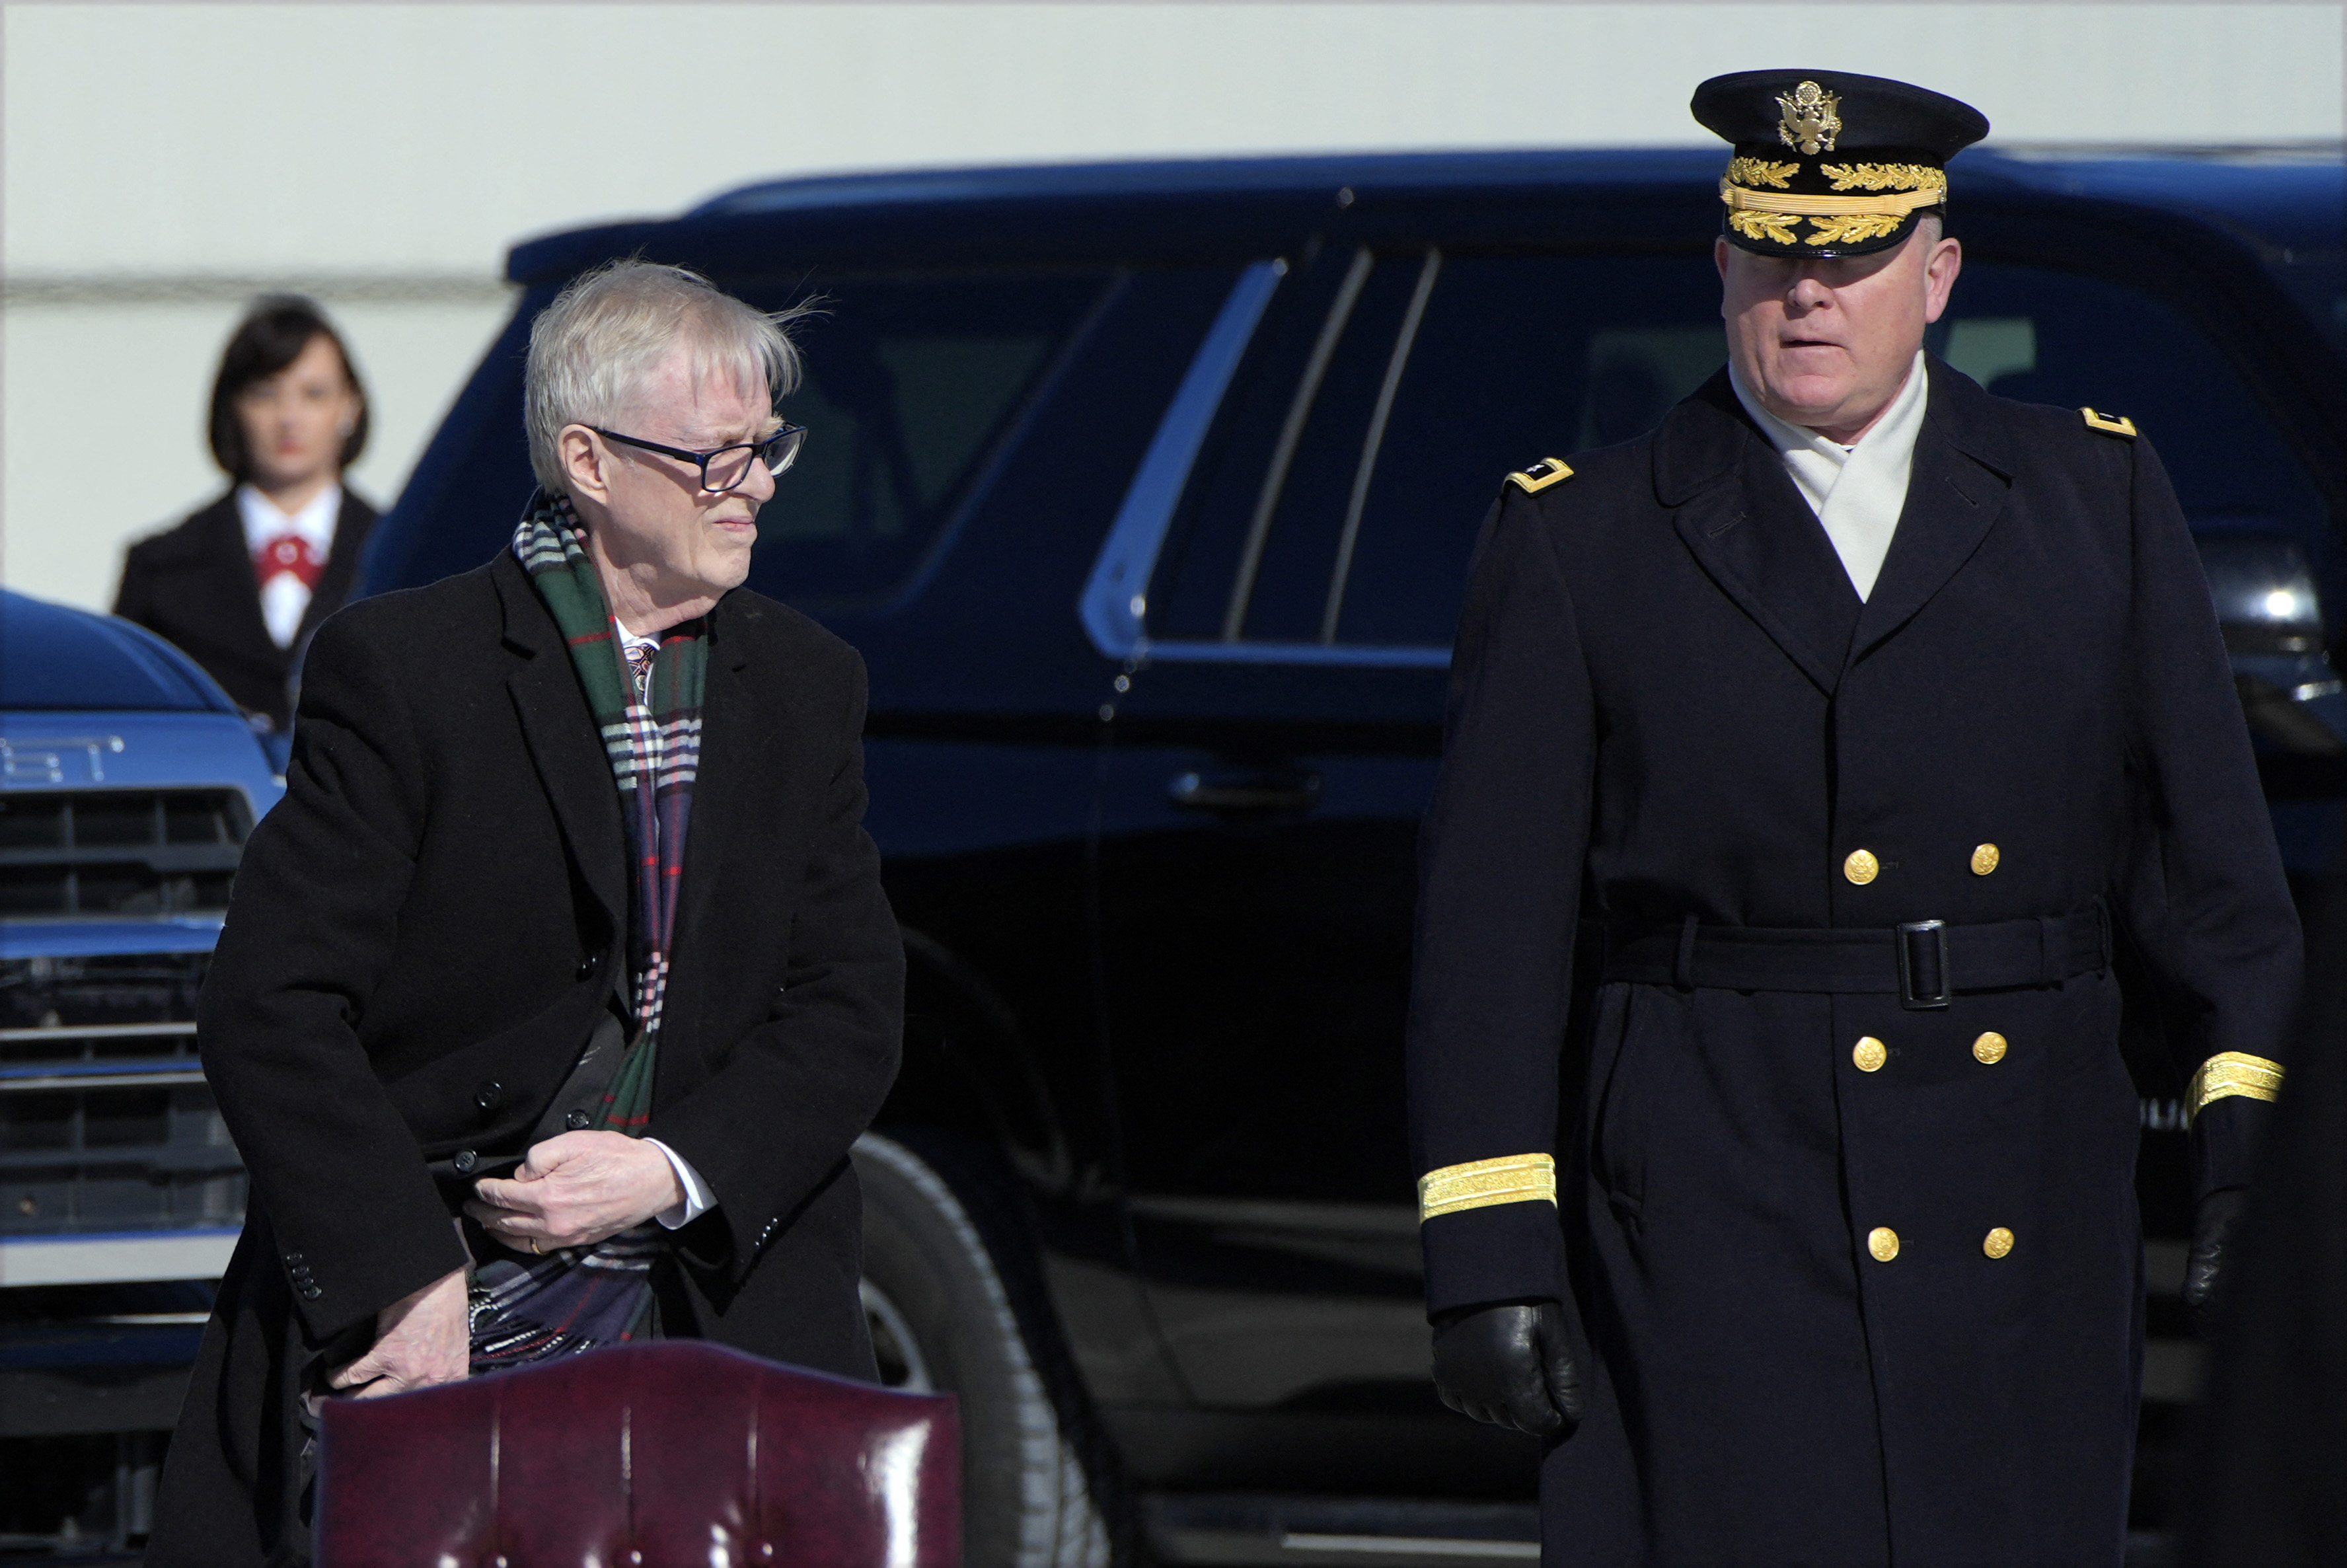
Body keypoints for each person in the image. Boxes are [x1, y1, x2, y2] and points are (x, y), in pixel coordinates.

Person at [1405, 71, 2301, 1565]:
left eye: (1854, 258)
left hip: (2018, 1191)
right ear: (1721, 265)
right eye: (1775, 254)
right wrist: (1485, 1255)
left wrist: (2240, 1161)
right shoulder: (1583, 536)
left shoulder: (2090, 496)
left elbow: (2211, 883)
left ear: (1936, 275)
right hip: (1715, 1200)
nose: (1809, 295)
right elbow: (1491, 944)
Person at [149, 262, 903, 1564]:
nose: (764, 483)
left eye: (770, 447)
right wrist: (408, 1275)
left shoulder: (805, 683)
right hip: (438, 1311)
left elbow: (849, 1006)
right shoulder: (404, 671)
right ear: (591, 463)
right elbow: (272, 1006)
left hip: (721, 1316)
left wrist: (669, 1169)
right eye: (722, 457)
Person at [116, 297, 379, 757]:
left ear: (350, 408)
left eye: (314, 393)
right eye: (265, 393)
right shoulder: (159, 568)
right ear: (232, 407)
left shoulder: (409, 557)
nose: (289, 418)